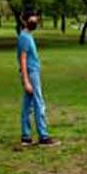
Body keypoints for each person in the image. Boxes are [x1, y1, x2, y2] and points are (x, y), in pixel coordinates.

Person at [18, 11, 57, 147]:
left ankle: (26, 137)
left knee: (27, 106)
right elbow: (22, 59)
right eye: (32, 18)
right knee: (39, 103)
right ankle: (43, 137)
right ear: (24, 20)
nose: (35, 21)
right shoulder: (24, 37)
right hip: (31, 74)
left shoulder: (27, 36)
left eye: (36, 19)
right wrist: (27, 80)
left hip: (33, 72)